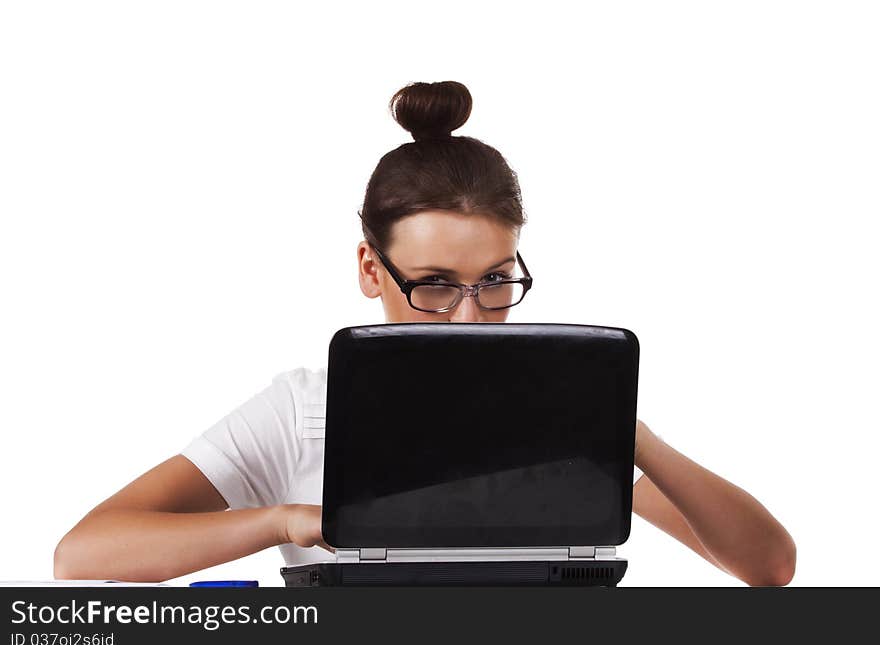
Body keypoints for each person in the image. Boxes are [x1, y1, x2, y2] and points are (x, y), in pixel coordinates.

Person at [53, 81, 796, 586]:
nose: (471, 316)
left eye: (497, 281)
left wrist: (626, 434)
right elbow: (83, 553)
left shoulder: (556, 416)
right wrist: (286, 519)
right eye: (435, 284)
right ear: (372, 270)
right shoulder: (302, 412)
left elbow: (769, 566)